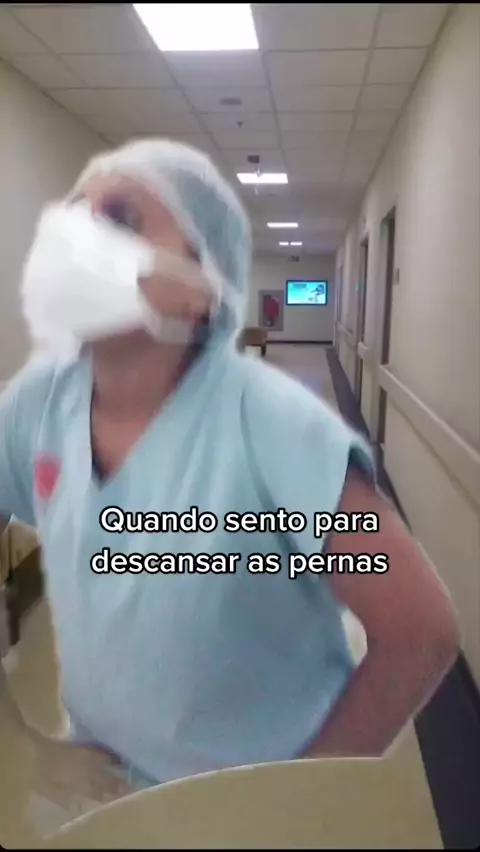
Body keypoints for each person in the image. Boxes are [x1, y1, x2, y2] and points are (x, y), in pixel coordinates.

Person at [0, 139, 459, 803]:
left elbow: (420, 632)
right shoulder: (36, 404)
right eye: (73, 212)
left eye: (121, 216)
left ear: (200, 289)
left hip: (248, 801)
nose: (75, 235)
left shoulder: (272, 423)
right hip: (100, 791)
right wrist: (21, 746)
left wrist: (290, 799)